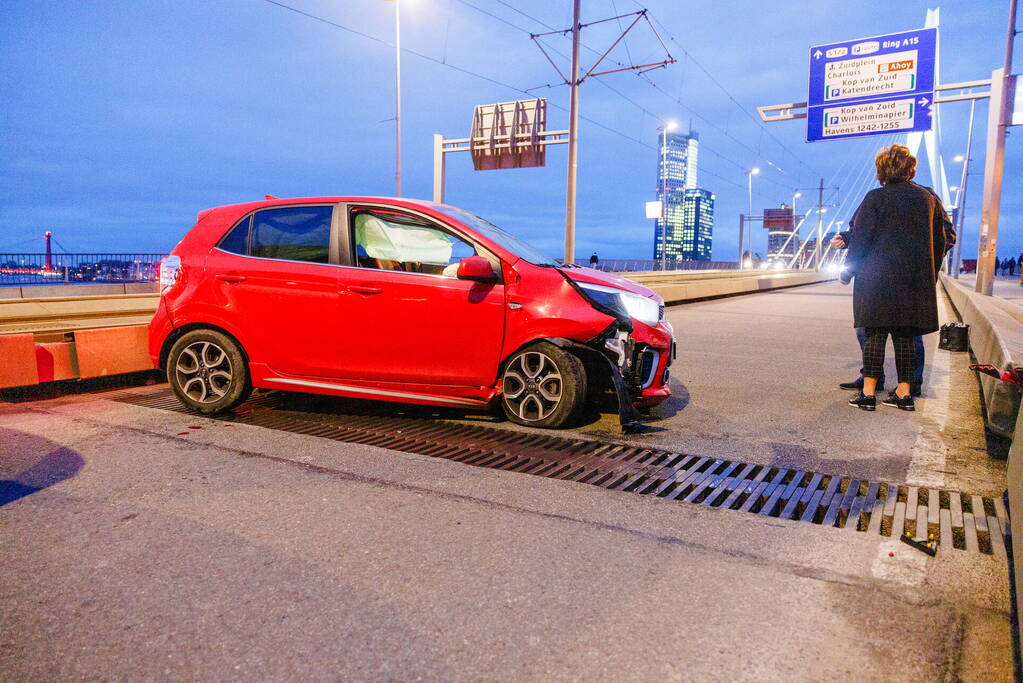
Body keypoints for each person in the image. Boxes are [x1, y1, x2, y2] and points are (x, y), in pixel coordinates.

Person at [838, 144, 950, 411]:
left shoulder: (875, 198)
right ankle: (904, 395)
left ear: (882, 170)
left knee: (874, 335)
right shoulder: (928, 199)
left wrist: (848, 270)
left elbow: (861, 240)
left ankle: (867, 396)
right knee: (906, 338)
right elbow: (940, 241)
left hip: (876, 279)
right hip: (913, 281)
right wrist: (929, 275)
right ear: (910, 168)